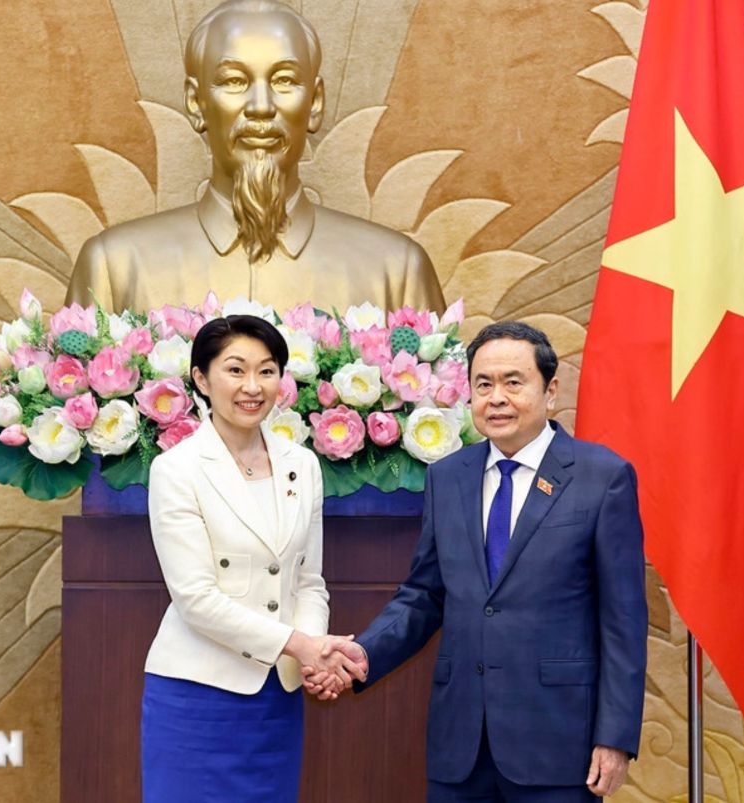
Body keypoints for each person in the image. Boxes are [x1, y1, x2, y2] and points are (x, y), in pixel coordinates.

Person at [307, 321, 649, 802]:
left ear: (550, 391)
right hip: (460, 743)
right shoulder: (448, 477)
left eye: (514, 382)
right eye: (484, 385)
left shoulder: (602, 477)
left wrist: (614, 738)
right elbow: (424, 595)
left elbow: (624, 620)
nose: (497, 398)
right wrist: (366, 653)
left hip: (557, 741)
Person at [64, 0, 445, 315]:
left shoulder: (397, 273)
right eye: (234, 81)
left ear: (314, 104)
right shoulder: (114, 268)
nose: (260, 107)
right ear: (196, 104)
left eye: (283, 81)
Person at [142, 314, 364, 803]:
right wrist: (301, 645)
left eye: (267, 370)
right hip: (197, 693)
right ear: (201, 379)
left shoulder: (301, 464)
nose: (253, 386)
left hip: (276, 696)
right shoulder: (175, 470)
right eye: (235, 370)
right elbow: (195, 598)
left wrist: (314, 656)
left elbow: (309, 581)